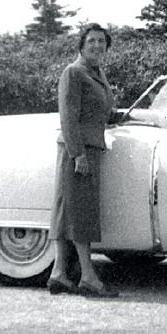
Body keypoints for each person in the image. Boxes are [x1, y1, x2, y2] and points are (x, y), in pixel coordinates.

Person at [46, 24, 119, 298]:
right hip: (78, 151)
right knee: (80, 214)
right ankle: (88, 276)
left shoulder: (96, 73)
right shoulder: (73, 72)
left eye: (102, 42)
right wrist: (78, 154)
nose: (97, 46)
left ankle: (59, 274)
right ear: (81, 44)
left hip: (89, 147)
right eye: (92, 41)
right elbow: (68, 116)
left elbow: (98, 112)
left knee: (70, 212)